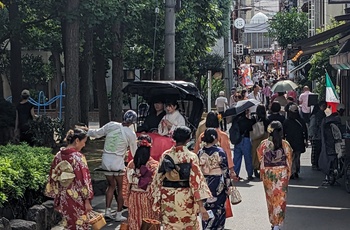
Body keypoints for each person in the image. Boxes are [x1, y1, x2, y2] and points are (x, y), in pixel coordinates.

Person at [151, 126, 212, 229]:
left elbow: (157, 178)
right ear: (188, 139)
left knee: (169, 225)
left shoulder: (166, 155)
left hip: (168, 195)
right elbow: (196, 182)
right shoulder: (191, 156)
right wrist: (201, 206)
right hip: (185, 196)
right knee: (187, 225)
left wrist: (157, 199)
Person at [87, 110, 138, 221]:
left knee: (110, 185)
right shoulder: (131, 134)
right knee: (120, 188)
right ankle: (118, 214)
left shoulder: (111, 125)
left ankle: (107, 211)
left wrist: (86, 131)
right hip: (118, 162)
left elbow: (97, 133)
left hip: (106, 160)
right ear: (132, 122)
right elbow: (134, 152)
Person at [45, 128, 93, 230]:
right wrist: (87, 200)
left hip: (63, 196)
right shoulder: (78, 157)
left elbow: (53, 176)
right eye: (83, 142)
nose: (84, 145)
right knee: (80, 225)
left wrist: (57, 196)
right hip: (77, 197)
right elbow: (83, 180)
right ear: (77, 141)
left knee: (68, 224)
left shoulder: (58, 156)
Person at [257, 121, 292, 230]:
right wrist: (288, 173)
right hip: (281, 173)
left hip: (268, 173)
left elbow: (260, 157)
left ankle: (273, 222)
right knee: (280, 199)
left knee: (270, 198)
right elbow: (289, 159)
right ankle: (278, 224)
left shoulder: (264, 144)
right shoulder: (285, 144)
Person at [122, 134, 159, 229]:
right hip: (148, 197)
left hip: (133, 197)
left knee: (134, 221)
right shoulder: (154, 165)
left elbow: (126, 183)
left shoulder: (131, 164)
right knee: (149, 224)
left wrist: (126, 199)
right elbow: (157, 185)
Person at [198, 128, 232, 229]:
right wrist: (229, 185)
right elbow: (225, 171)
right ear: (215, 139)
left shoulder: (200, 152)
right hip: (218, 183)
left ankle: (207, 226)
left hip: (204, 182)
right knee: (219, 207)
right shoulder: (220, 152)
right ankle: (218, 227)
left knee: (206, 206)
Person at [193, 111, 236, 178]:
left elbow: (196, 152)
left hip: (204, 169)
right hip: (218, 170)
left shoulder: (202, 135)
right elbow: (227, 153)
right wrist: (231, 169)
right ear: (217, 121)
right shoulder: (222, 135)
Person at [283, 104, 308, 179]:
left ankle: (292, 171)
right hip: (299, 142)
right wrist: (306, 140)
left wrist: (283, 141)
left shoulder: (286, 121)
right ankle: (296, 171)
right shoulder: (301, 121)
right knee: (297, 157)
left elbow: (284, 132)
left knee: (291, 157)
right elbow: (305, 131)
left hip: (290, 142)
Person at [234, 109, 255, 180]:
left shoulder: (235, 121)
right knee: (248, 157)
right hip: (246, 139)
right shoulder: (247, 121)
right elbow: (251, 127)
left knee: (237, 158)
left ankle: (235, 174)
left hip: (237, 140)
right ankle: (249, 174)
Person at [251, 105, 269, 178]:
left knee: (255, 152)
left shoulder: (254, 118)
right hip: (265, 136)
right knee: (264, 153)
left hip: (256, 136)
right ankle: (263, 168)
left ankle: (255, 168)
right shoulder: (267, 119)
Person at [309, 101, 327, 170]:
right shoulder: (316, 116)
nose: (324, 107)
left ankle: (317, 163)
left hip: (320, 135)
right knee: (316, 150)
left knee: (318, 150)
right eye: (323, 106)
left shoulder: (322, 114)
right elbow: (312, 126)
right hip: (316, 135)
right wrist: (311, 135)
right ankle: (315, 164)